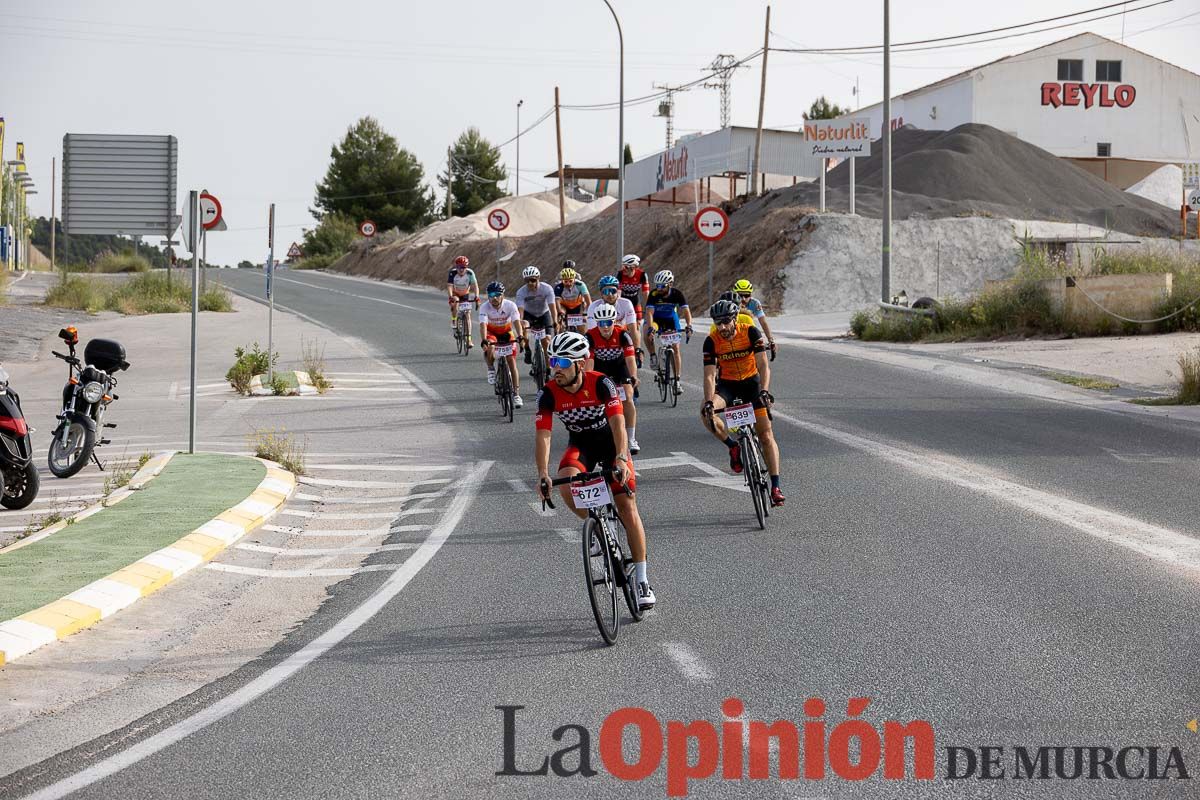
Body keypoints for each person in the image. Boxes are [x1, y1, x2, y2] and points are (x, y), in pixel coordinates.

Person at [535, 331, 655, 610]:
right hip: (582, 446)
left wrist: (623, 459)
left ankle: (642, 579)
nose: (556, 368)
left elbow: (617, 424)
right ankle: (597, 526)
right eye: (553, 361)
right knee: (566, 482)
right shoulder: (548, 393)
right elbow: (544, 435)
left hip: (611, 445)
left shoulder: (601, 384)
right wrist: (542, 473)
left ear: (580, 364)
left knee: (627, 506)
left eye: (563, 363)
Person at [700, 299, 785, 506]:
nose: (722, 327)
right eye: (718, 323)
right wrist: (710, 402)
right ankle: (733, 446)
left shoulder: (750, 332)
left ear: (735, 318)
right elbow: (710, 376)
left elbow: (763, 366)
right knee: (705, 411)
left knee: (765, 435)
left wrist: (764, 391)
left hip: (752, 384)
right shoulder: (711, 341)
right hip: (728, 387)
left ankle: (775, 486)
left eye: (726, 322)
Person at [584, 303, 640, 455]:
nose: (605, 327)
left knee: (628, 399)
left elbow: (630, 359)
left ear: (614, 321)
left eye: (608, 322)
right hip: (600, 368)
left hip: (619, 367)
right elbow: (589, 363)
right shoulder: (589, 336)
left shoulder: (623, 334)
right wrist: (587, 381)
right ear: (597, 323)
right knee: (597, 401)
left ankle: (631, 438)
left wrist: (633, 375)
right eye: (601, 323)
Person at [643, 270, 692, 390]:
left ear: (670, 284)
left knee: (676, 348)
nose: (658, 288)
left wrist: (689, 325)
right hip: (656, 319)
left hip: (670, 319)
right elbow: (649, 313)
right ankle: (653, 355)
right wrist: (650, 328)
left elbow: (686, 311)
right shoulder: (654, 294)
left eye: (661, 286)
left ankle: (677, 380)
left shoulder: (677, 294)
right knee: (646, 331)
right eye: (657, 285)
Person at [479, 281, 525, 408]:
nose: (494, 298)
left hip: (506, 332)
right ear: (488, 296)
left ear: (502, 295)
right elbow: (483, 325)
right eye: (491, 294)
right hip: (491, 332)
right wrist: (484, 340)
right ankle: (491, 368)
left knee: (511, 361)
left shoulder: (510, 305)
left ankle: (516, 394)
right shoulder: (484, 307)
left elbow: (516, 322)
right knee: (491, 347)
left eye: (497, 294)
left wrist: (520, 336)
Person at [514, 265, 557, 367]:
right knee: (524, 325)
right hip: (529, 314)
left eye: (533, 280)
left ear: (538, 279)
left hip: (544, 314)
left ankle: (548, 369)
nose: (530, 283)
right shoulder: (521, 292)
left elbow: (552, 307)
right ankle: (527, 349)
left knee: (546, 341)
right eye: (527, 280)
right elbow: (520, 310)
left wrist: (555, 320)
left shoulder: (547, 289)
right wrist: (521, 321)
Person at [618, 254, 649, 365]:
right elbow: (618, 293)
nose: (623, 269)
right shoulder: (620, 274)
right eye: (623, 266)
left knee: (636, 326)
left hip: (635, 303)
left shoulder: (642, 275)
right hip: (623, 302)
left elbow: (646, 294)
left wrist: (648, 307)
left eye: (626, 267)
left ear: (633, 267)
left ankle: (638, 350)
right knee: (621, 325)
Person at [732, 279, 776, 358]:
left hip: (747, 336)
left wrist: (771, 340)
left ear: (751, 295)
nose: (743, 299)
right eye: (740, 295)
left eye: (747, 295)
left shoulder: (755, 303)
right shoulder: (730, 303)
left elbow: (763, 322)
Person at [446, 256, 479, 341]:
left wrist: (477, 297)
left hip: (465, 295)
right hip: (455, 294)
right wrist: (450, 297)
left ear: (466, 267)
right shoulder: (452, 273)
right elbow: (449, 286)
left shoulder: (470, 273)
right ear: (456, 267)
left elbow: (475, 286)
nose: (461, 269)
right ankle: (454, 321)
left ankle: (469, 338)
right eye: (459, 267)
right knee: (456, 302)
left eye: (463, 267)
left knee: (467, 314)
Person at [554, 263, 591, 333]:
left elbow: (588, 300)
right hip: (564, 306)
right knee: (560, 318)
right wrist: (560, 313)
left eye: (570, 281)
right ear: (562, 280)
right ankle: (560, 335)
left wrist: (588, 312)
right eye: (565, 281)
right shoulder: (558, 287)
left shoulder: (580, 284)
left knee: (582, 325)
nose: (568, 283)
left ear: (574, 279)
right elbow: (557, 302)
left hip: (578, 305)